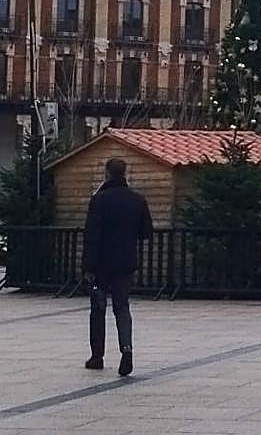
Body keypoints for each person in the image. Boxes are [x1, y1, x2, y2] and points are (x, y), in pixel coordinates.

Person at [82, 157, 153, 377]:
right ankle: (127, 349)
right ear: (125, 173)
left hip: (101, 264)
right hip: (126, 262)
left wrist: (88, 266)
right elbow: (146, 233)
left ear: (107, 174)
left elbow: (92, 235)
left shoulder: (99, 200)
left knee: (98, 309)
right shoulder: (137, 200)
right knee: (122, 308)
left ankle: (97, 356)